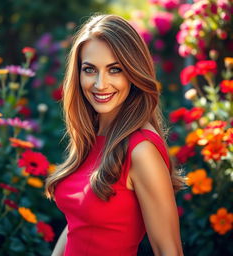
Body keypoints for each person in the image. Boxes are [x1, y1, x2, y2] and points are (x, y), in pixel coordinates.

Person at [45, 14, 186, 256]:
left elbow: (168, 250)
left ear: (133, 72)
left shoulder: (141, 150)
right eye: (90, 69)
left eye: (115, 70)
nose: (100, 84)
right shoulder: (92, 137)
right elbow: (77, 224)